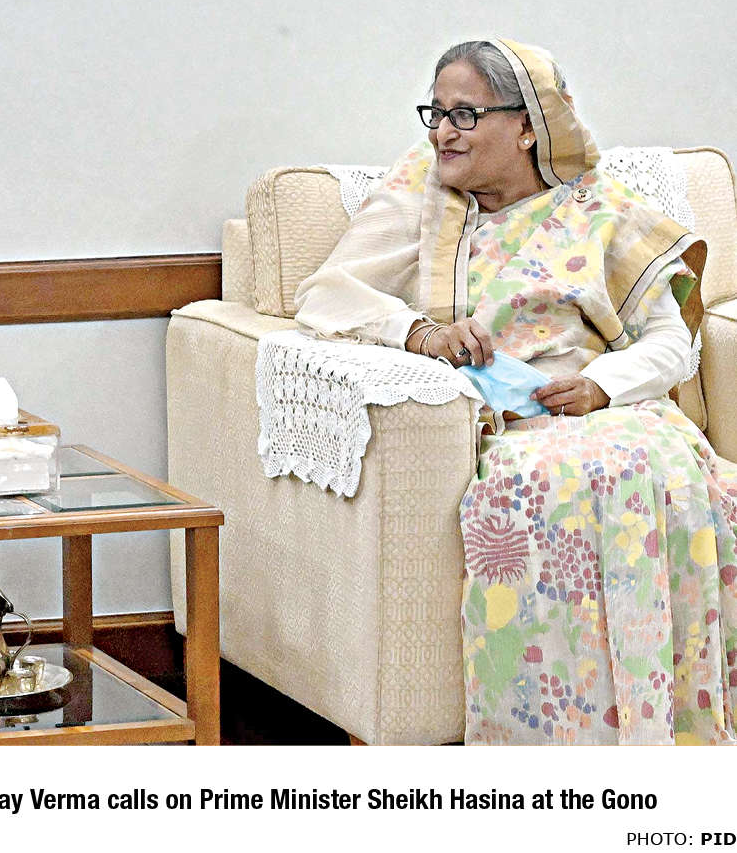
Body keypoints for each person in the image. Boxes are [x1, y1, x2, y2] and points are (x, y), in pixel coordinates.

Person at [295, 38, 737, 744]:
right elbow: (324, 294)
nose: (443, 132)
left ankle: (671, 741)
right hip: (505, 426)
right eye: (435, 112)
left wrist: (600, 385)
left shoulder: (599, 206)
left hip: (607, 405)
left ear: (528, 125)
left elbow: (670, 341)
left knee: (670, 472)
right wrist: (420, 333)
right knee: (579, 480)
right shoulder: (422, 196)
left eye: (465, 114)